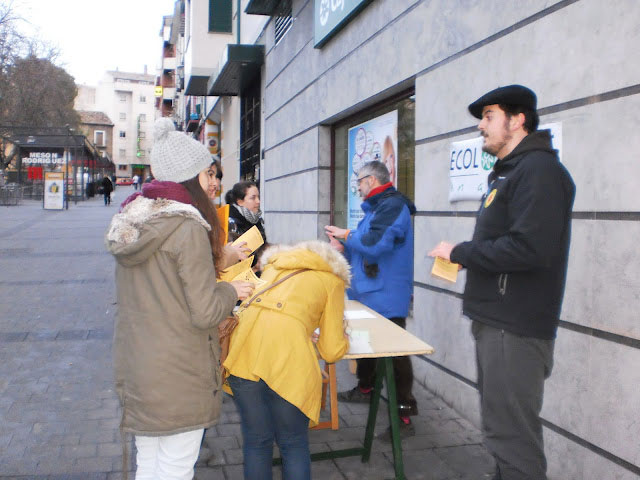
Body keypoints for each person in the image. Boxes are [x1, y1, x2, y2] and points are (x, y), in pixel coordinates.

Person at [428, 85, 575, 480]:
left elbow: (529, 248)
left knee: (512, 440)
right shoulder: (511, 173)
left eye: (489, 115)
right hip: (498, 323)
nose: (481, 126)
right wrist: (464, 255)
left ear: (518, 119)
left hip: (515, 327)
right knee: (502, 435)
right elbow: (507, 244)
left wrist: (461, 252)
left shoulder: (539, 171)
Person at [105, 118, 254, 480]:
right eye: (207, 175)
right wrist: (232, 290)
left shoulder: (134, 221)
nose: (213, 184)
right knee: (174, 469)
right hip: (178, 374)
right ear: (188, 178)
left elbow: (165, 287)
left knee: (151, 466)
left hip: (140, 368)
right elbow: (205, 311)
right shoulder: (187, 227)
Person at [223, 240, 350, 480]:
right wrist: (343, 337)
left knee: (257, 441)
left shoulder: (273, 267)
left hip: (243, 356)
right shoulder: (332, 281)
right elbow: (331, 351)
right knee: (292, 443)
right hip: (289, 363)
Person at [324, 160, 417, 440]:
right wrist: (343, 246)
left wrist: (347, 235)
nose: (358, 187)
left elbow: (374, 246)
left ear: (372, 181)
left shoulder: (392, 206)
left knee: (396, 354)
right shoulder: (378, 208)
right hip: (371, 292)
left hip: (386, 294)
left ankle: (404, 414)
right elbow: (364, 247)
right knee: (366, 343)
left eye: (360, 181)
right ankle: (366, 388)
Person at [225, 181, 267, 267]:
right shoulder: (230, 222)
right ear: (240, 202)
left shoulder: (256, 220)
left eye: (258, 197)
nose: (258, 201)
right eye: (253, 198)